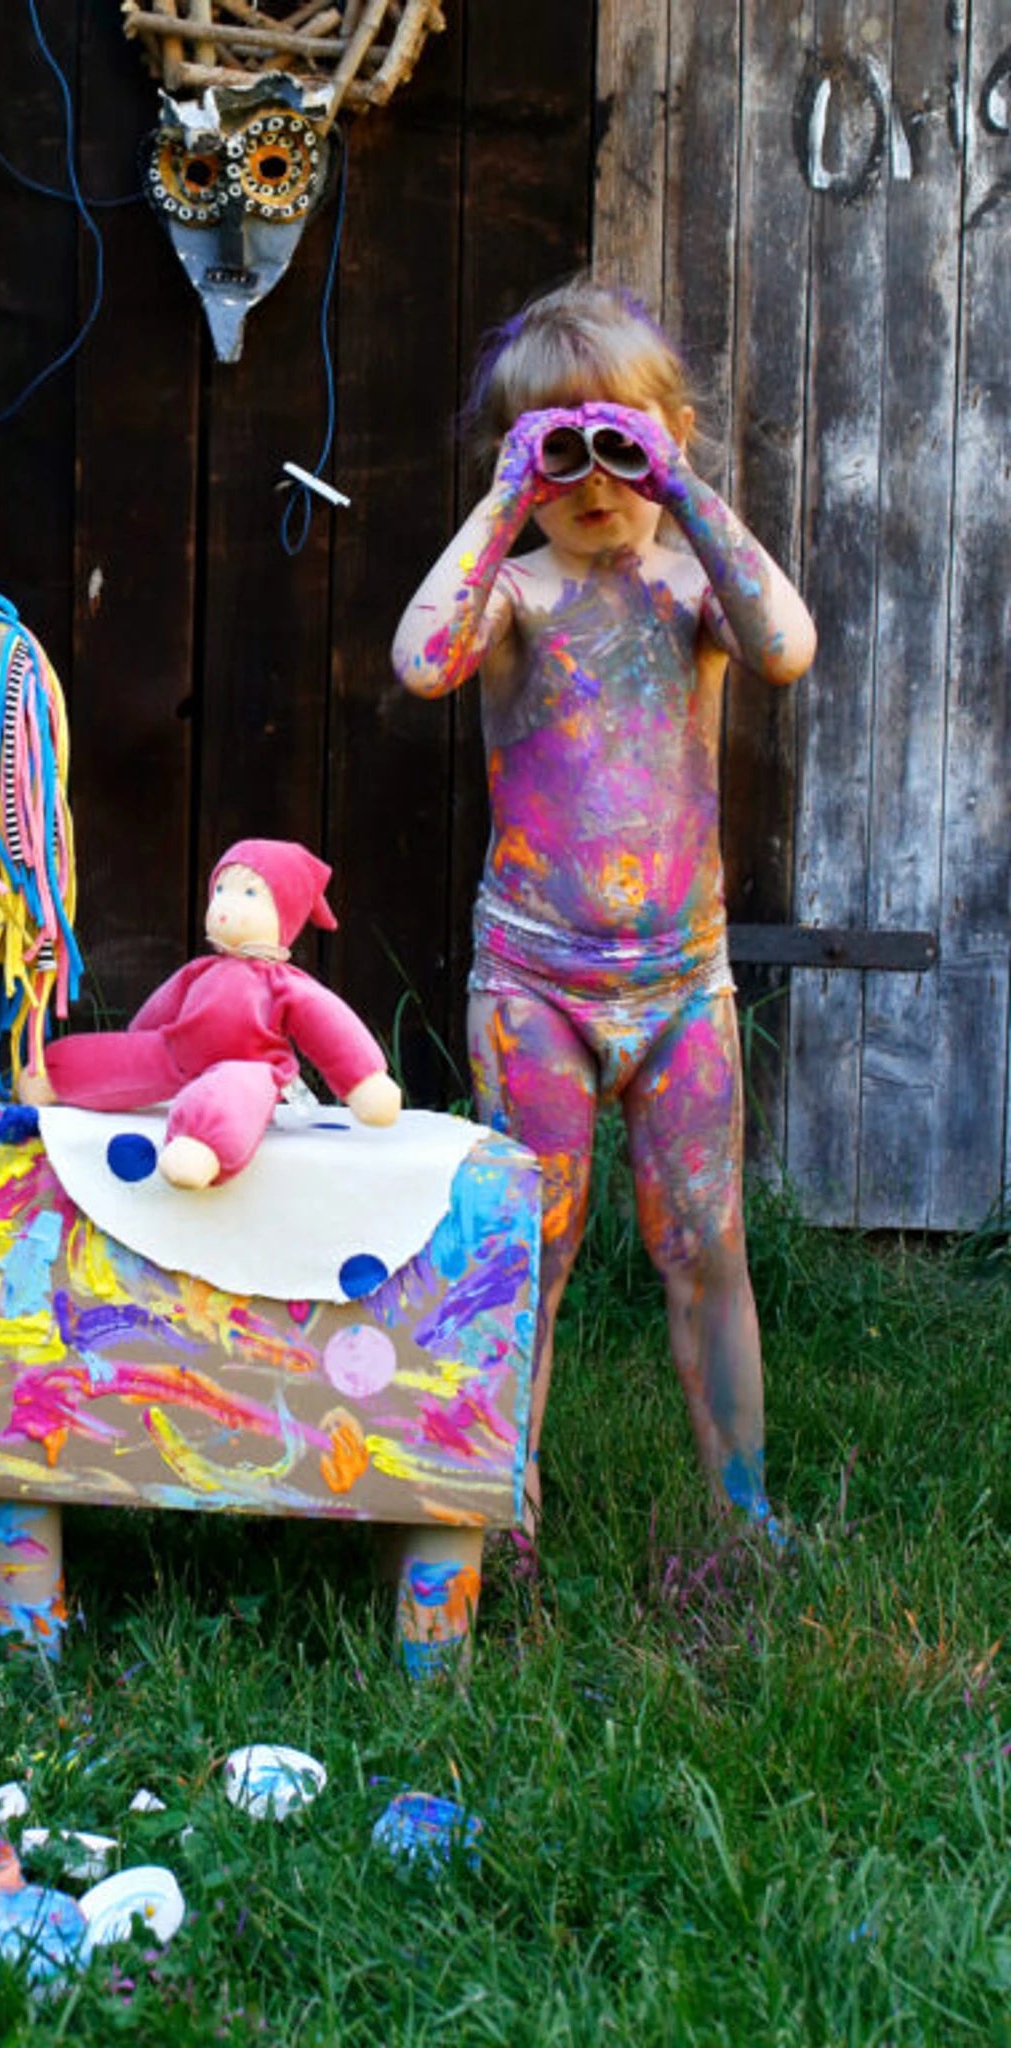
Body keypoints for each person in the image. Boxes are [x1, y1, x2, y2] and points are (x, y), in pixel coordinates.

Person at [391, 279, 816, 1551]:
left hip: (682, 981)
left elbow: (784, 645)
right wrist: (497, 500)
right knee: (534, 1247)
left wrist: (682, 488)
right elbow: (421, 662)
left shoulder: (692, 587)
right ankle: (496, 1504)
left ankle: (742, 1510)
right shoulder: (515, 594)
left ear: (666, 436)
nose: (593, 477)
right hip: (535, 983)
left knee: (705, 1249)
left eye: (617, 444)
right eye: (556, 449)